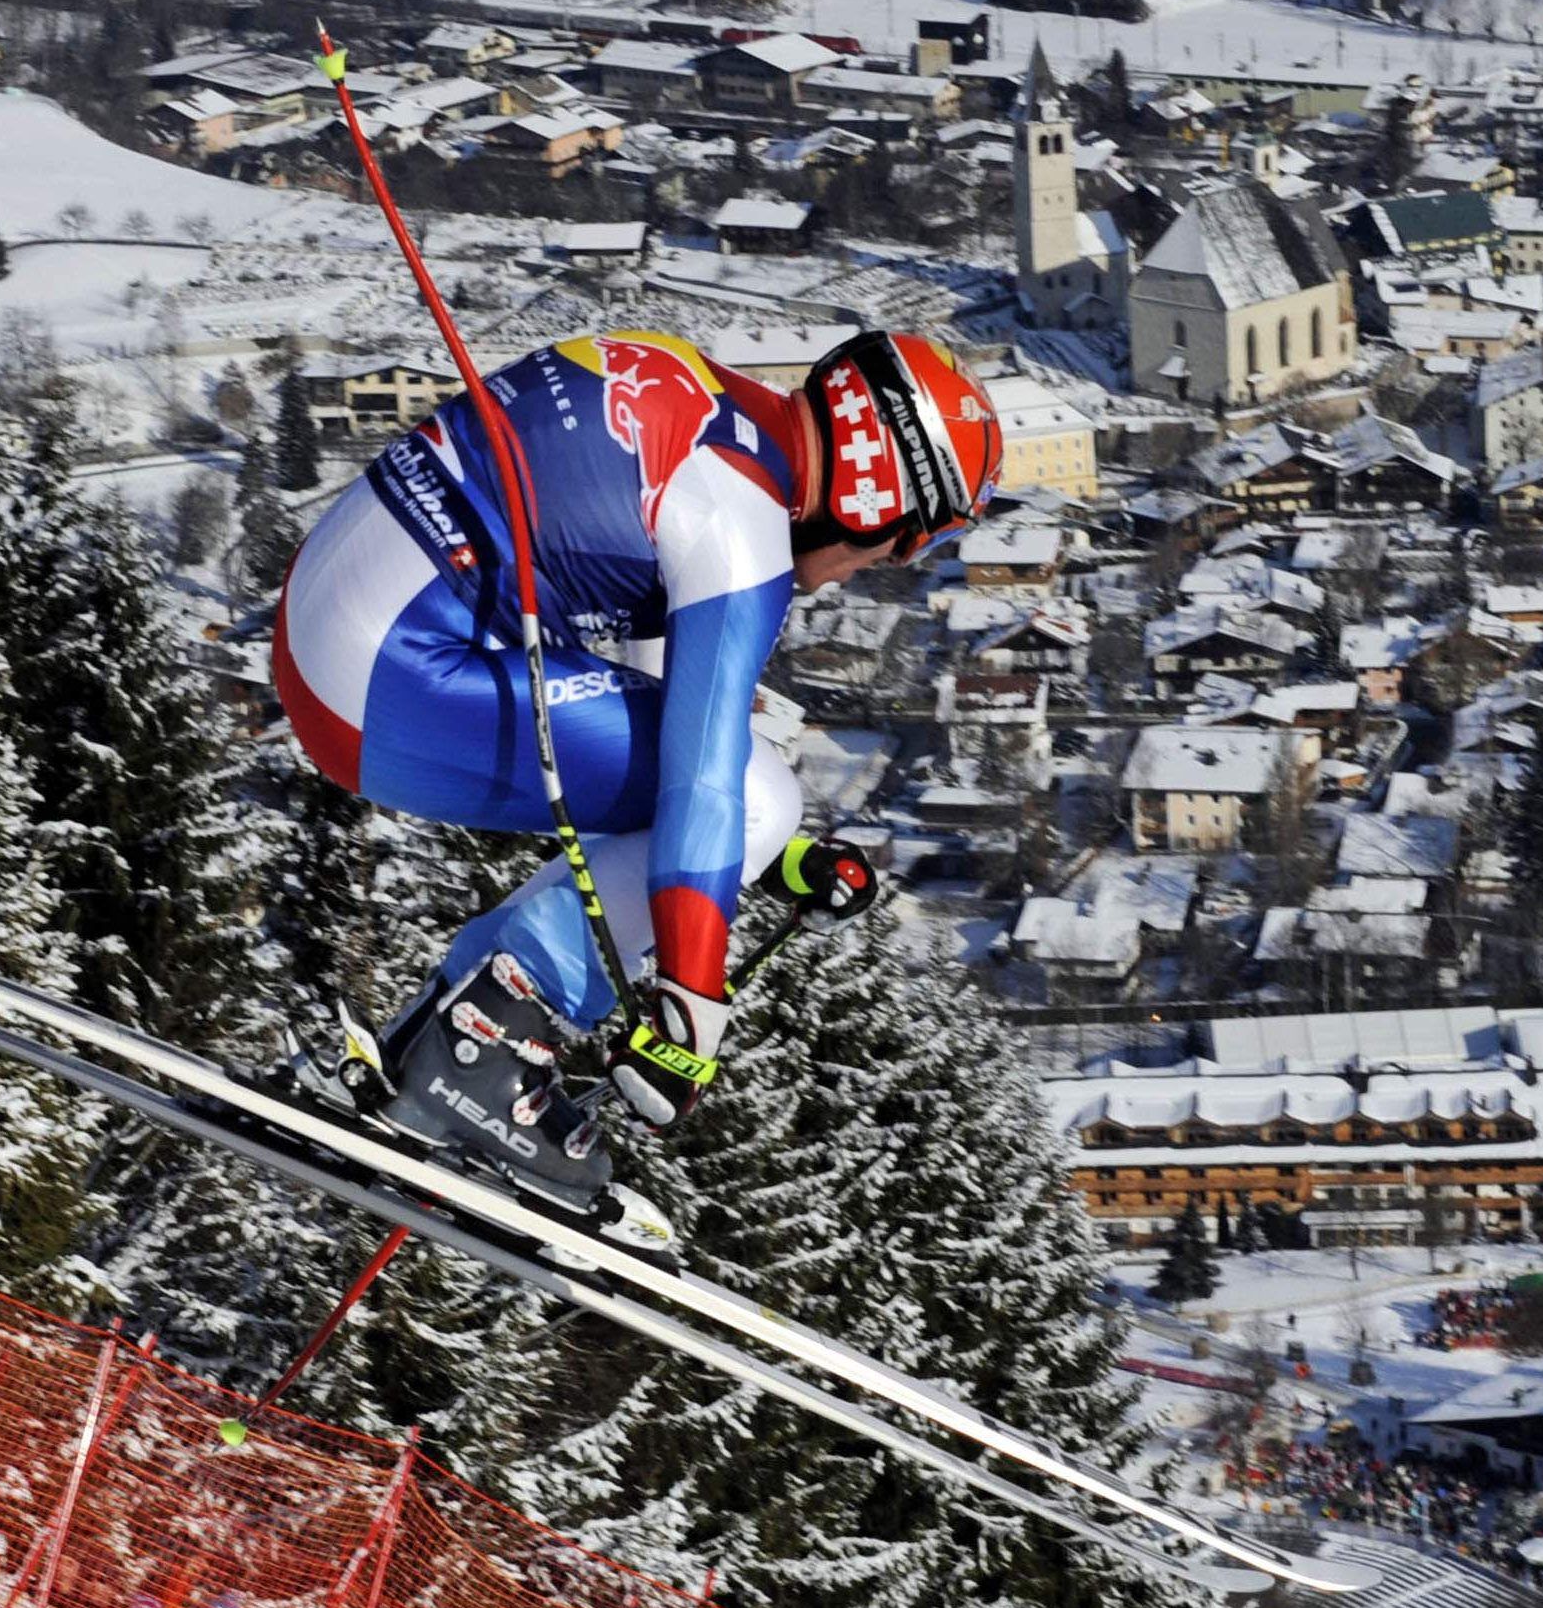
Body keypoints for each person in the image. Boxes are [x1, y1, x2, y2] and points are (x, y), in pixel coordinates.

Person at [275, 328, 1002, 1210]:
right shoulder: (742, 522)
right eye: (898, 549)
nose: (866, 574)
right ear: (872, 496)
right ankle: (476, 1051)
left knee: (753, 797)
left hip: (340, 635)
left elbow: (657, 720)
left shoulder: (706, 400)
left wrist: (773, 858)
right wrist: (692, 1008)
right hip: (381, 679)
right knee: (754, 788)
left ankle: (443, 1044)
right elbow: (701, 781)